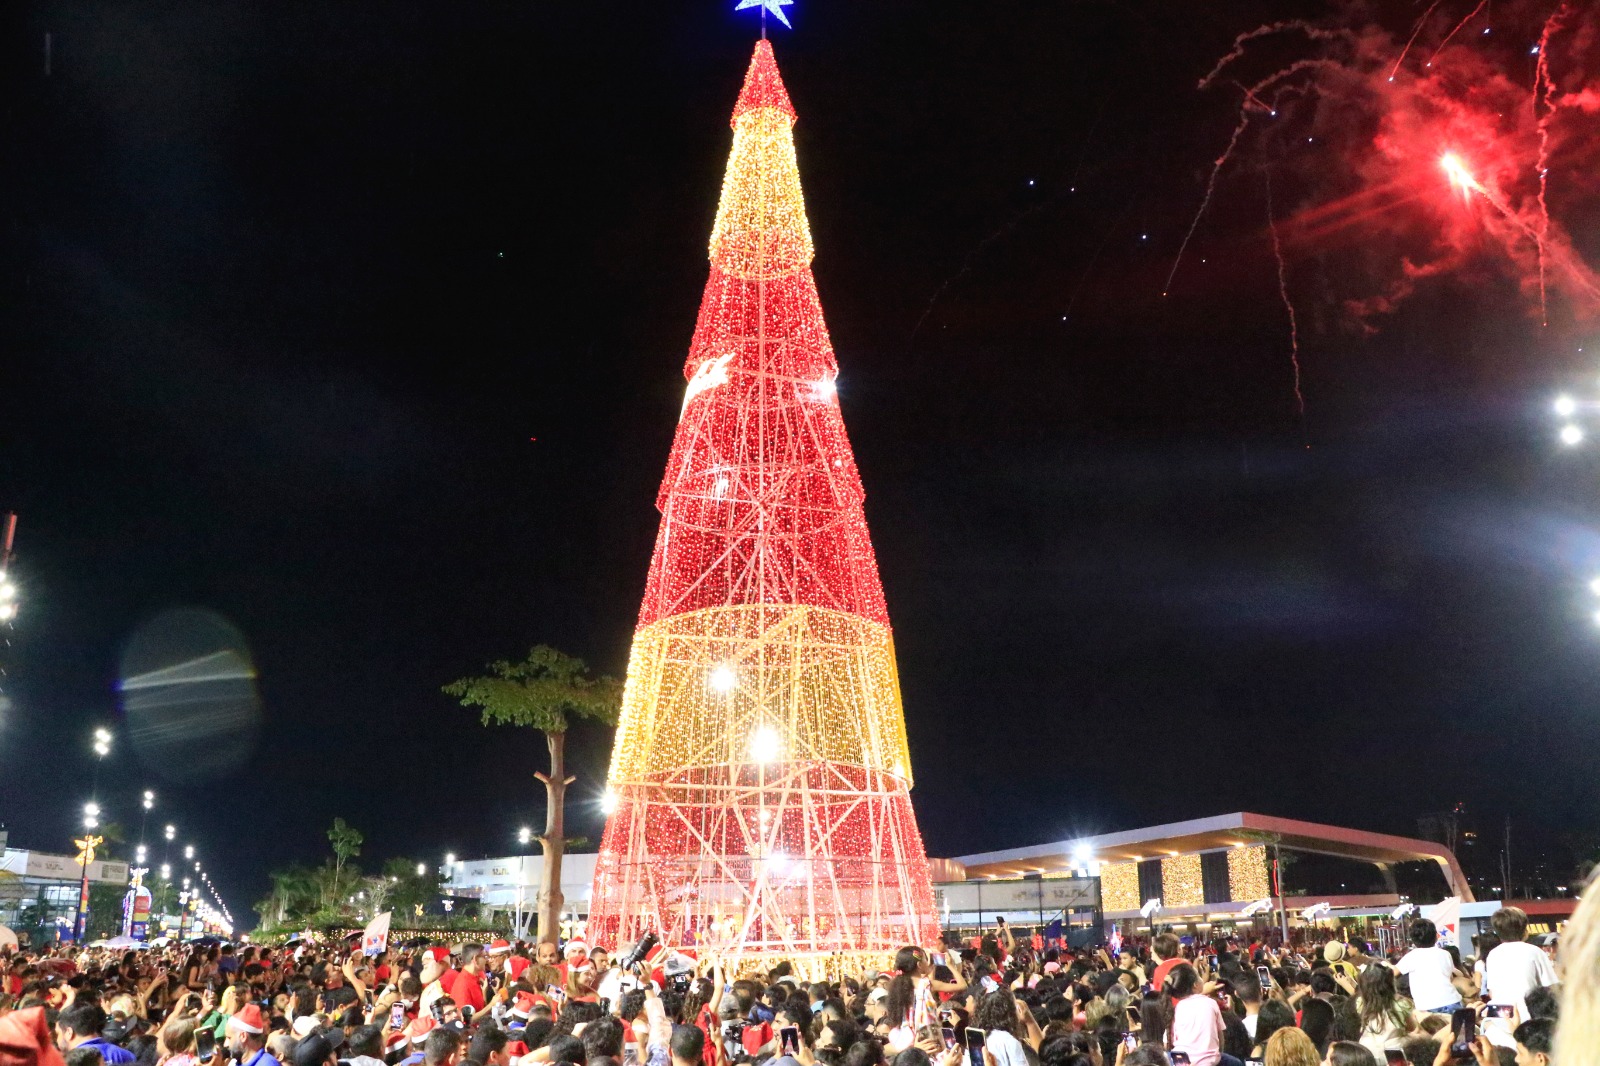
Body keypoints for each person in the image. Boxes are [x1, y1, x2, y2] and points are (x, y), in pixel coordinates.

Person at [1482, 909, 1557, 1021]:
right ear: (1524, 930)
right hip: (1529, 1017)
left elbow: (1492, 992)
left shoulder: (1493, 954)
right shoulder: (1535, 951)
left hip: (1499, 1017)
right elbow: (1551, 987)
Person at [1166, 964, 1235, 1066]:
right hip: (1209, 1061)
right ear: (1195, 985)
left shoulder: (1176, 1008)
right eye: (1199, 975)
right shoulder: (1210, 1003)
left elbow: (1171, 1039)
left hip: (1180, 1060)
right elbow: (1220, 1036)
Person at [1396, 922, 1461, 1015]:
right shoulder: (1445, 954)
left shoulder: (1411, 956)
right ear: (1436, 936)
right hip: (1452, 1001)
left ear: (1413, 940)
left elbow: (1392, 973)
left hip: (1427, 1006)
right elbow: (1450, 977)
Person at [1355, 964, 1414, 1057]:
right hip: (1396, 1053)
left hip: (1367, 1052)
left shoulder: (1361, 1003)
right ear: (1391, 983)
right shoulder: (1401, 1004)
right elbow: (1413, 1028)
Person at [56, 1003, 136, 1065]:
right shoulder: (124, 1055)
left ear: (69, 1032)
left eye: (58, 1033)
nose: (57, 1039)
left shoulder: (67, 1063)